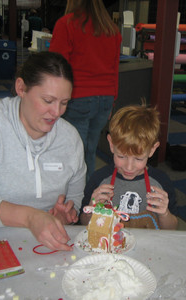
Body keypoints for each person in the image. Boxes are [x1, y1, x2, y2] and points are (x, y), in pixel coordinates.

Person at [0, 52, 87, 251]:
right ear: (21, 88)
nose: (57, 112)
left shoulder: (70, 138)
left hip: (41, 248)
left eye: (64, 102)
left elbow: (74, 199)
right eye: (48, 101)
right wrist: (30, 217)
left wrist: (65, 216)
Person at [49, 0, 122, 182]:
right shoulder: (112, 30)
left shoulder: (66, 24)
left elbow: (55, 67)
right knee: (89, 151)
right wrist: (112, 101)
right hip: (105, 98)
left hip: (78, 97)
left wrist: (52, 101)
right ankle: (87, 195)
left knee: (72, 152)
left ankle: (72, 200)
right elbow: (114, 69)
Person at [79, 104, 178, 230]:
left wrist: (164, 214)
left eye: (138, 159)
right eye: (121, 157)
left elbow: (172, 229)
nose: (129, 167)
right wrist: (91, 209)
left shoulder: (161, 181)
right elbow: (83, 223)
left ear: (152, 150)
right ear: (111, 144)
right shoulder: (99, 179)